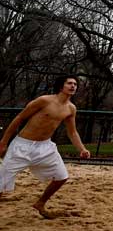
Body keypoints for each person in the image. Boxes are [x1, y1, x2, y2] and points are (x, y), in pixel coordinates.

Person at [0, 75, 91, 219]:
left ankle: (40, 203)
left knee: (61, 177)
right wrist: (3, 143)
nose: (73, 86)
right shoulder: (44, 100)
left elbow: (72, 132)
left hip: (45, 148)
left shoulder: (71, 108)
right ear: (61, 86)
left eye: (75, 84)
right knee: (2, 182)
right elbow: (19, 118)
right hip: (22, 146)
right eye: (69, 83)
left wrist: (82, 149)